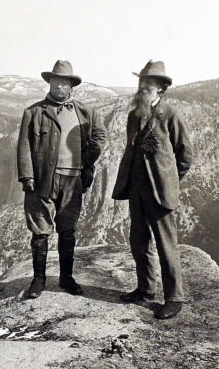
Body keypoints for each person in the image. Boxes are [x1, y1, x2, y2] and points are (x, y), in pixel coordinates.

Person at [17, 60, 107, 299]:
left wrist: (86, 160)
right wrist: (27, 177)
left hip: (73, 180)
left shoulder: (86, 112)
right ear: (50, 83)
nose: (59, 86)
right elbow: (24, 146)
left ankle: (66, 278)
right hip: (43, 181)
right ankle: (39, 280)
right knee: (40, 231)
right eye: (56, 81)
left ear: (71, 86)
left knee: (67, 231)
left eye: (64, 82)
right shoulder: (34, 113)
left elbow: (100, 136)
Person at [112, 60, 192, 319]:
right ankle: (146, 289)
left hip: (160, 193)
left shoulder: (170, 115)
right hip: (136, 190)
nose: (143, 88)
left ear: (161, 89)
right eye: (142, 83)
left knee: (166, 244)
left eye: (149, 84)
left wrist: (169, 180)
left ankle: (174, 298)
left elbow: (185, 156)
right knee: (139, 242)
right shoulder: (134, 115)